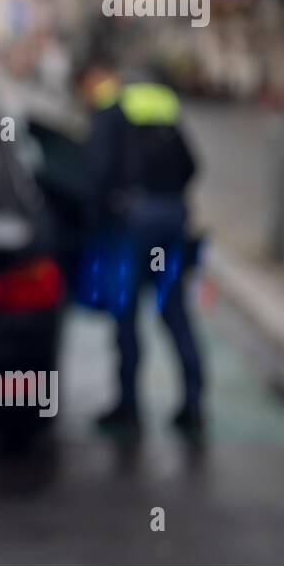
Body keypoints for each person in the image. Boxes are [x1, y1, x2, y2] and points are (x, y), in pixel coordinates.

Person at [77, 56, 204, 435]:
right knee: (175, 313)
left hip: (131, 227)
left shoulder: (110, 113)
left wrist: (96, 224)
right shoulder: (162, 108)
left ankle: (129, 407)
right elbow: (193, 165)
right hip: (172, 219)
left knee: (126, 315)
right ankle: (193, 405)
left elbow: (96, 175)